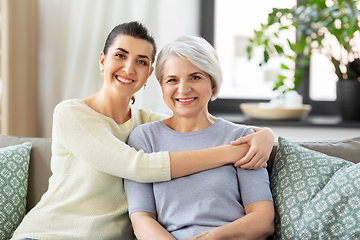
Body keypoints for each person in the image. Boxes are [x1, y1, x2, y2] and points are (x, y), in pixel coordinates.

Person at [12, 22, 274, 240]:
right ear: (103, 61)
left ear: (149, 74)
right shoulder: (73, 114)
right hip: (48, 234)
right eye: (120, 55)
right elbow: (139, 166)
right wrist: (231, 153)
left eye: (140, 61)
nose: (128, 68)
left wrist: (266, 135)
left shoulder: (144, 123)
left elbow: (195, 125)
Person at [124, 36, 275, 240]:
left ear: (212, 83)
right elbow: (141, 219)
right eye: (172, 80)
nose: (183, 89)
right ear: (161, 85)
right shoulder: (144, 138)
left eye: (195, 77)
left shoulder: (242, 139)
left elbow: (263, 220)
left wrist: (211, 238)